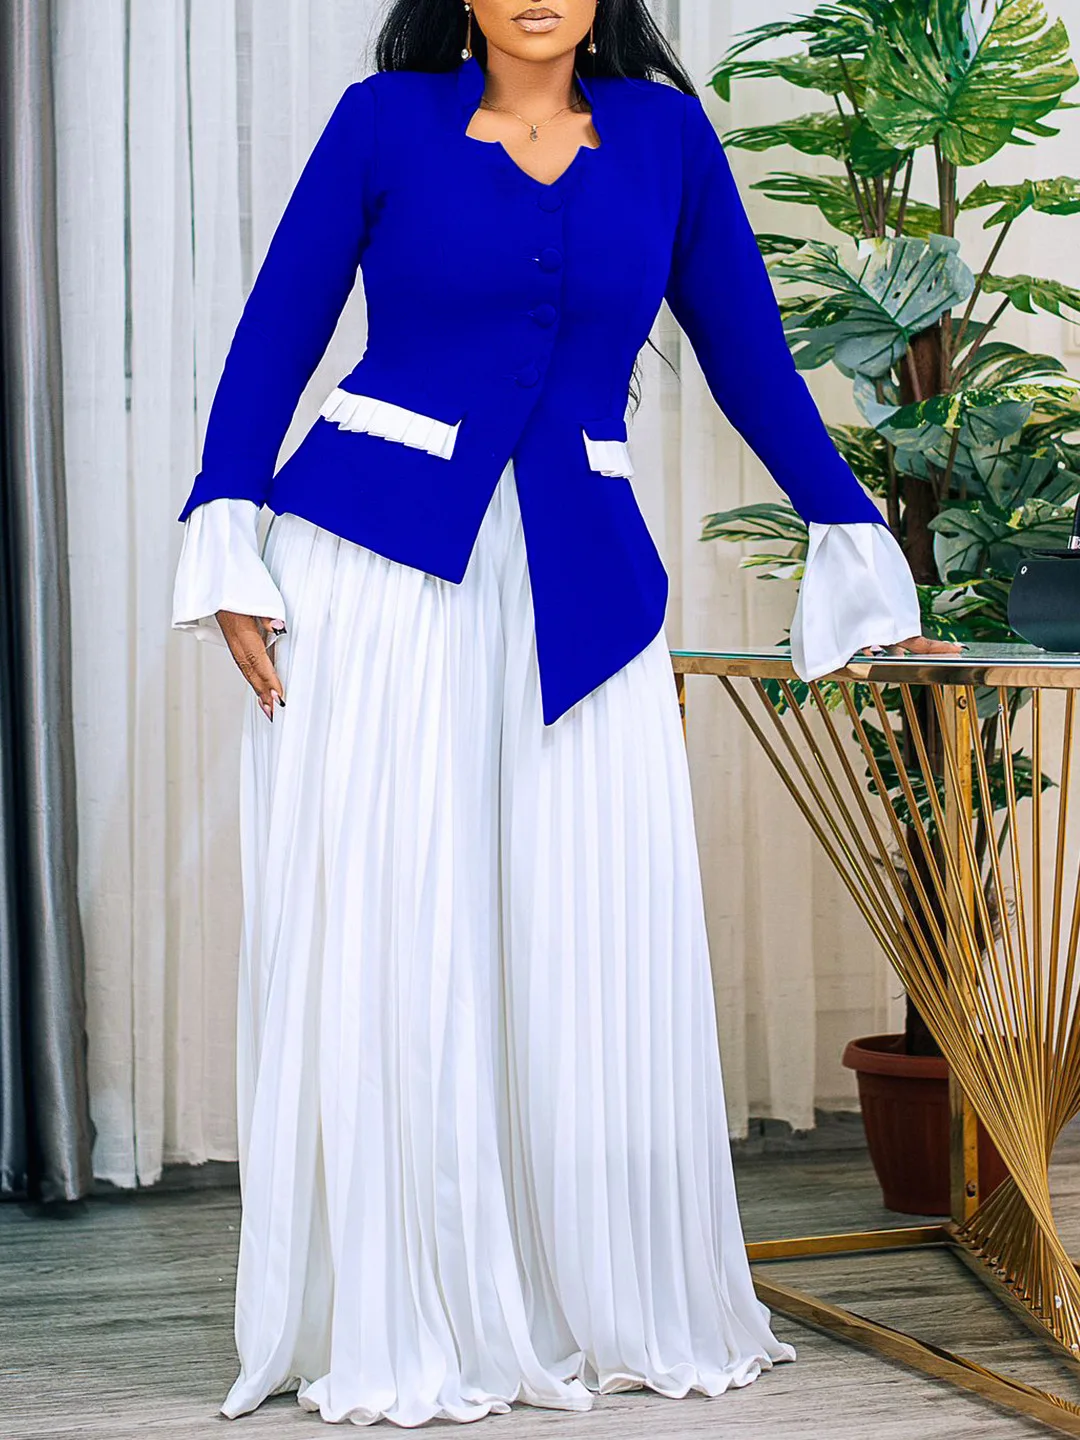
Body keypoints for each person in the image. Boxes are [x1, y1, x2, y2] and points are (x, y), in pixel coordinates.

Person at [172, 0, 956, 1426]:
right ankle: (410, 1303)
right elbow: (276, 334)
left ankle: (575, 1286)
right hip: (376, 568)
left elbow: (748, 355)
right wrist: (229, 538)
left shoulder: (665, 137)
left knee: (580, 918)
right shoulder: (382, 121)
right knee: (399, 924)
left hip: (581, 582)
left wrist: (854, 541)